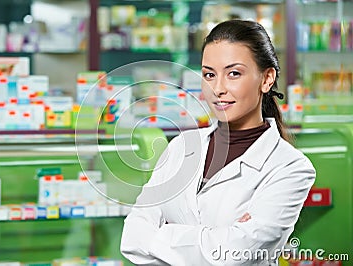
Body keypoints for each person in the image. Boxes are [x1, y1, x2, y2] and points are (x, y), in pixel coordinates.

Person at [120, 19, 316, 265]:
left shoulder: (290, 168)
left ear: (267, 79)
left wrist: (159, 236)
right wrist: (214, 239)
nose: (217, 88)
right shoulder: (182, 146)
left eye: (234, 73)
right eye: (209, 75)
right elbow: (131, 237)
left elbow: (235, 254)